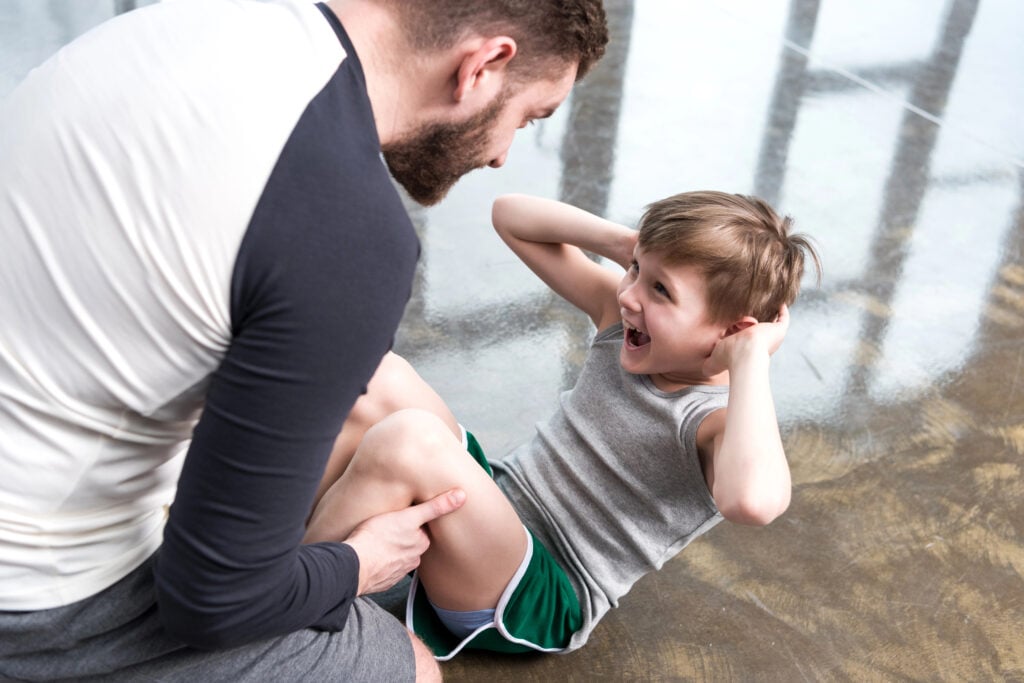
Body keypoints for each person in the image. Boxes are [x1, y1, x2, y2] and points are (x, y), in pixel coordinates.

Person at [0, 0, 608, 680]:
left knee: (371, 383)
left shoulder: (186, 24)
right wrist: (356, 563)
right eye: (528, 117)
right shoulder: (349, 231)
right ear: (483, 67)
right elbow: (213, 600)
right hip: (33, 598)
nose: (501, 155)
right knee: (407, 664)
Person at [304, 191, 822, 659]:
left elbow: (753, 502)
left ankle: (284, 598)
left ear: (735, 332)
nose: (630, 295)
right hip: (496, 506)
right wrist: (629, 245)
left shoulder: (714, 423)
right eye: (635, 271)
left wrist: (750, 360)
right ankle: (292, 541)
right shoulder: (623, 323)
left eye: (661, 290)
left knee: (409, 440)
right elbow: (509, 215)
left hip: (537, 593)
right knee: (379, 376)